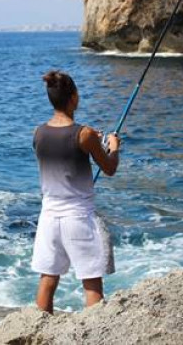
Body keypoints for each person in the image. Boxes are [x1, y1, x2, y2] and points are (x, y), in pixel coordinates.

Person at [31, 70, 120, 314]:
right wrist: (113, 146)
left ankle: (38, 332)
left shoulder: (37, 133)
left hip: (49, 218)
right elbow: (110, 168)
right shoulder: (85, 134)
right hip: (78, 219)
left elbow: (62, 151)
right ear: (73, 97)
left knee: (48, 280)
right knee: (91, 283)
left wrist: (91, 142)